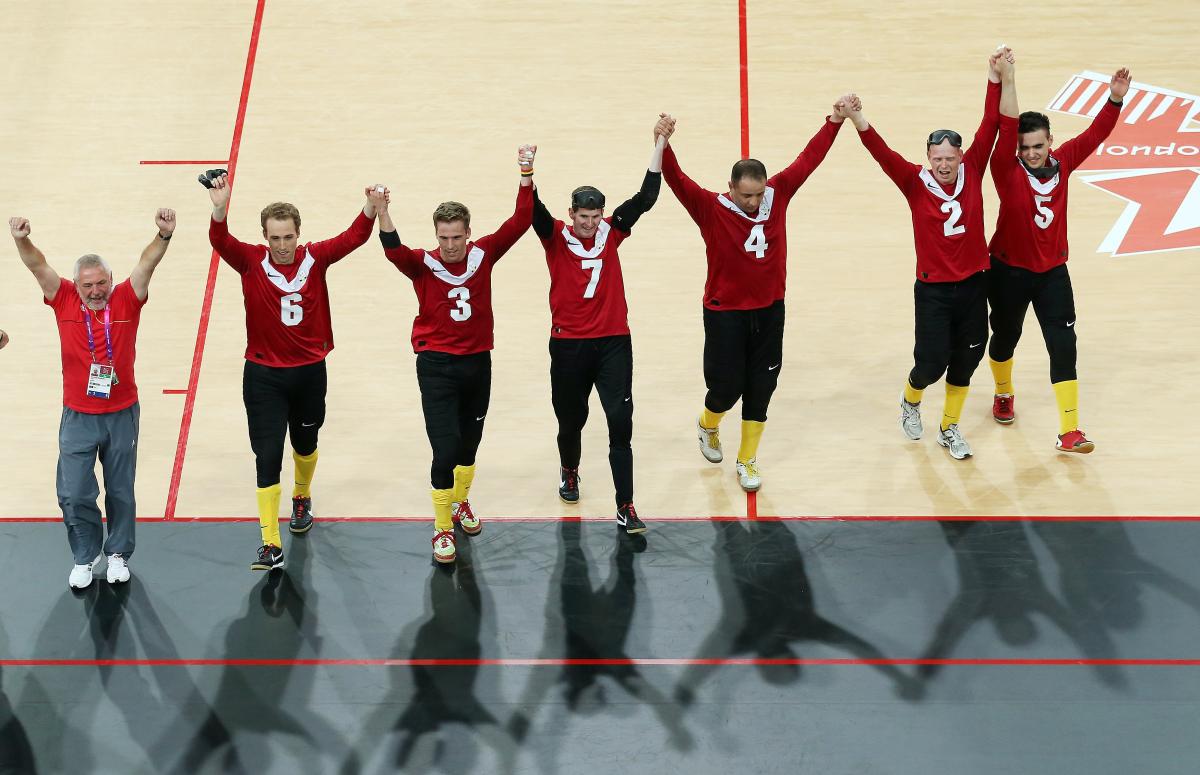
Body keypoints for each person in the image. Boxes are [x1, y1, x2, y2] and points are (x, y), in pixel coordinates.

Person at [660, 100, 849, 491]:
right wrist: (663, 141)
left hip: (769, 310)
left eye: (758, 194)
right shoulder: (710, 208)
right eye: (746, 195)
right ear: (731, 188)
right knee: (726, 389)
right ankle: (708, 424)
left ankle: (747, 459)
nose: (753, 202)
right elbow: (675, 179)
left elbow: (808, 160)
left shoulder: (777, 195)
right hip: (724, 312)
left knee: (761, 388)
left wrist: (834, 120)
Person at [842, 50, 1017, 460]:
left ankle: (950, 427)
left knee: (968, 359)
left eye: (949, 158)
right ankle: (911, 398)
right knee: (931, 363)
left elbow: (990, 126)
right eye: (937, 158)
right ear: (928, 158)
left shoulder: (973, 168)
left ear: (960, 157)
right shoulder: (913, 181)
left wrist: (994, 76)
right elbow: (881, 153)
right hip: (935, 290)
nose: (944, 165)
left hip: (975, 283)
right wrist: (857, 119)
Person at [201, 170, 380, 571]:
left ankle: (302, 494)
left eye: (288, 237)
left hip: (309, 372)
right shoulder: (250, 261)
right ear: (265, 237)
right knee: (267, 455)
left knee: (306, 443)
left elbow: (353, 238)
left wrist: (370, 207)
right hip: (263, 375)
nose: (282, 246)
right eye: (274, 238)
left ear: (299, 234)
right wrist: (219, 207)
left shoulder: (316, 257)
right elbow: (220, 240)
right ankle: (269, 542)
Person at [372, 147, 536, 564]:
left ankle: (461, 502)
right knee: (444, 449)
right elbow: (394, 250)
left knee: (470, 444)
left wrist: (525, 172)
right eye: (443, 237)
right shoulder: (424, 265)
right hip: (436, 366)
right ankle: (442, 525)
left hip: (478, 362)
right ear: (437, 236)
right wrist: (383, 212)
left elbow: (521, 221)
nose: (449, 245)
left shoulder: (484, 254)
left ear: (468, 233)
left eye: (456, 237)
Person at [11, 210, 175, 588]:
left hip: (121, 413)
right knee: (72, 491)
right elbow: (38, 266)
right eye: (88, 286)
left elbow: (147, 263)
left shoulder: (126, 300)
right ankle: (86, 555)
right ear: (76, 285)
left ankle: (117, 553)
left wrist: (163, 235)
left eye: (102, 283)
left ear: (111, 281)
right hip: (78, 415)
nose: (96, 291)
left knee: (120, 489)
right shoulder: (63, 298)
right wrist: (22, 240)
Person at [532, 127, 670, 533]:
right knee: (571, 419)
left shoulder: (613, 230)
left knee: (620, 420)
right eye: (583, 217)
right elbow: (533, 212)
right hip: (569, 345)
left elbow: (646, 198)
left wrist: (659, 145)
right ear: (571, 214)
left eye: (595, 217)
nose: (590, 224)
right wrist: (527, 174)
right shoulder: (556, 237)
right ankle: (569, 469)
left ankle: (625, 504)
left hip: (613, 342)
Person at [987, 68, 1132, 454]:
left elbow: (1096, 134)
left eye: (1038, 145)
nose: (1031, 153)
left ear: (1051, 141)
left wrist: (1114, 99)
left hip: (1052, 273)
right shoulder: (1005, 169)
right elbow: (1006, 123)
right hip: (1008, 271)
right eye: (1025, 147)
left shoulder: (1065, 160)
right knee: (1005, 338)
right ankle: (1004, 393)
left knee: (1064, 346)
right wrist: (1009, 78)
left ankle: (1070, 431)